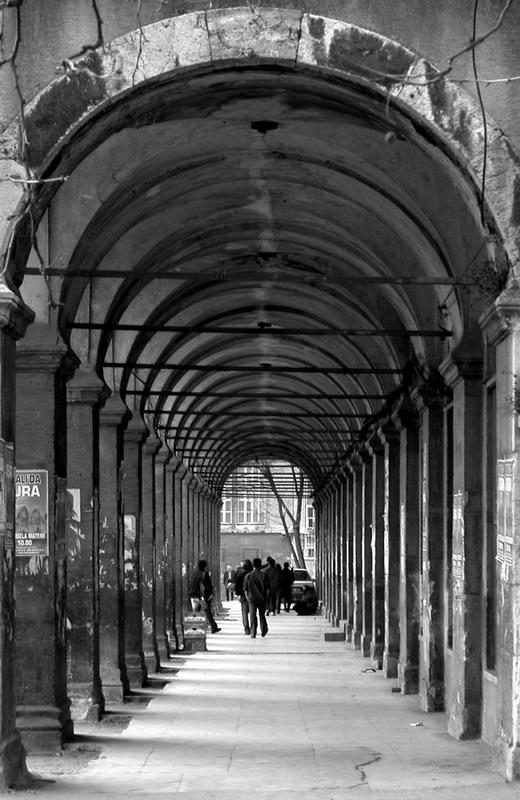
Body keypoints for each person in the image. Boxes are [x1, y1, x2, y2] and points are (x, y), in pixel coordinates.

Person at [188, 559, 221, 633]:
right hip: (201, 597)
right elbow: (208, 585)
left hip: (193, 596)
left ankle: (195, 630)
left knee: (195, 614)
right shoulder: (204, 574)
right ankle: (213, 627)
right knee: (208, 611)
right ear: (205, 566)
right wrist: (211, 594)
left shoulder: (194, 574)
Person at [243, 557, 269, 638]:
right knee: (262, 615)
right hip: (261, 599)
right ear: (260, 565)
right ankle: (263, 630)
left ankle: (253, 632)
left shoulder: (248, 576)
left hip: (251, 599)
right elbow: (268, 589)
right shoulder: (263, 575)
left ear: (253, 565)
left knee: (252, 615)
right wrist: (266, 598)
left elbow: (245, 589)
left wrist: (248, 598)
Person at [234, 559, 253, 635]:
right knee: (252, 613)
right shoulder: (253, 574)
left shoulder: (241, 575)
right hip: (252, 596)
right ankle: (253, 628)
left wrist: (238, 594)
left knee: (244, 614)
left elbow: (237, 587)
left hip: (243, 596)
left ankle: (246, 629)